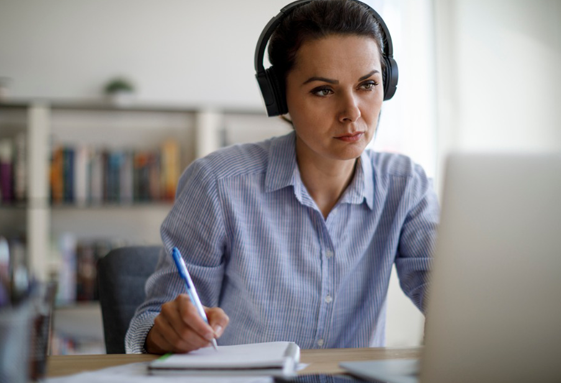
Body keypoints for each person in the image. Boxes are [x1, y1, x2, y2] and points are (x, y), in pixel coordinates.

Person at [125, 0, 439, 354]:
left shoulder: (407, 186)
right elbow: (152, 320)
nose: (352, 112)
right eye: (323, 90)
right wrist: (167, 332)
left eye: (367, 85)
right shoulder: (218, 184)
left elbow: (449, 298)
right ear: (279, 98)